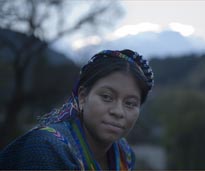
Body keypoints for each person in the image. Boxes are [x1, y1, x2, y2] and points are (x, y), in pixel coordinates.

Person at [0, 49, 154, 170]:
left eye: (130, 103)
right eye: (107, 97)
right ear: (82, 96)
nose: (118, 111)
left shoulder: (124, 154)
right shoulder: (46, 148)